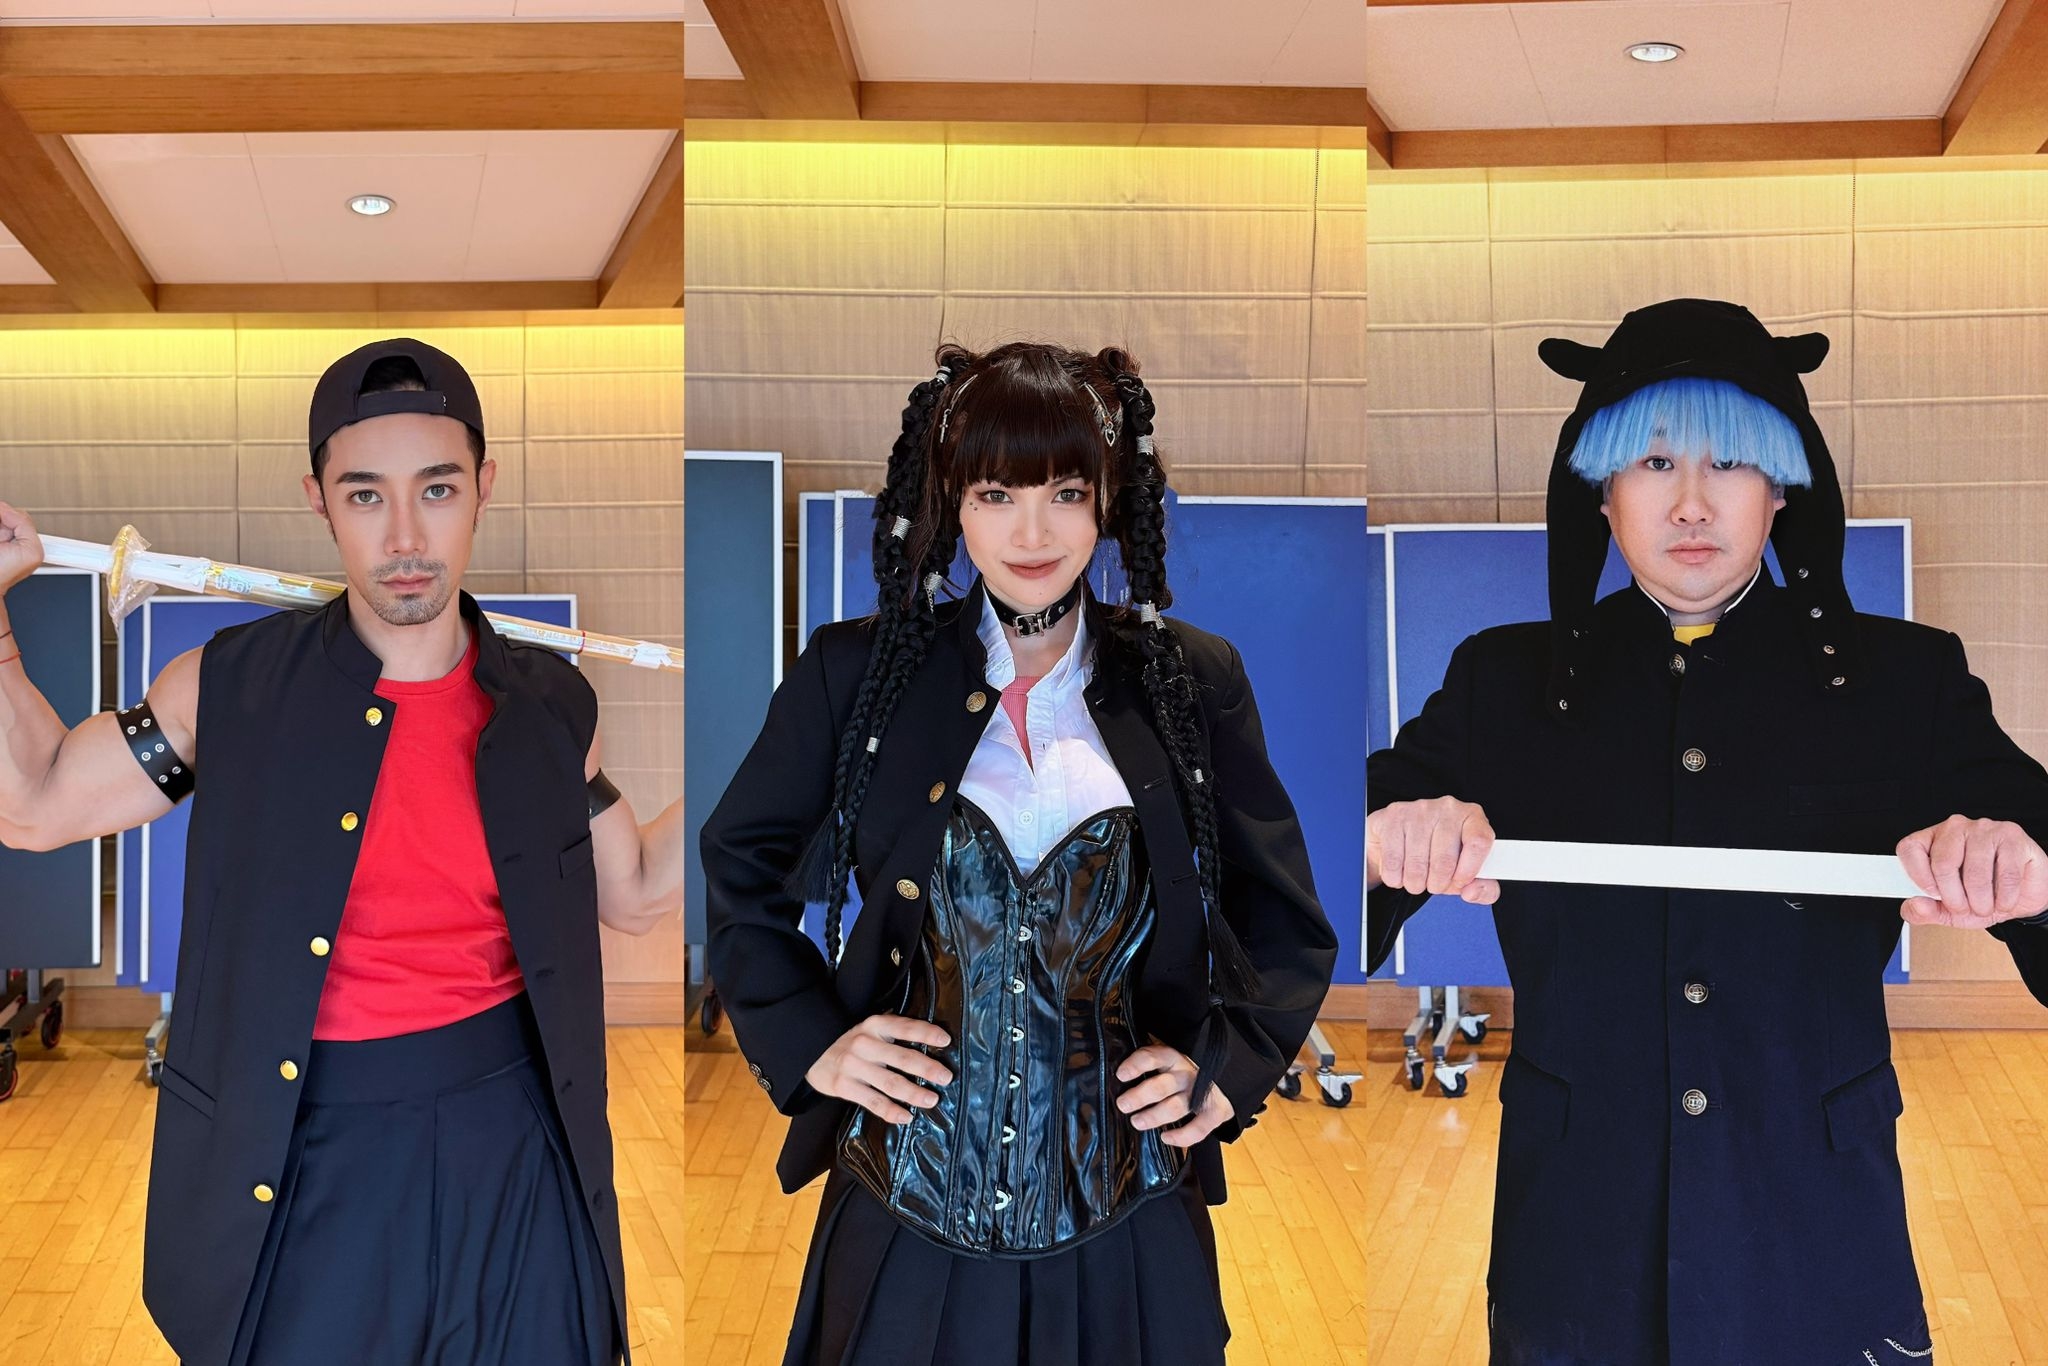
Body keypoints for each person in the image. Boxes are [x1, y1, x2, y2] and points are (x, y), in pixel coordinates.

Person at [1365, 298, 2048, 1366]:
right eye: (1652, 463)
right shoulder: (1501, 681)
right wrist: (1386, 834)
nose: (1690, 502)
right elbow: (1309, 887)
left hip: (1814, 1219)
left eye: (1729, 461)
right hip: (1577, 1226)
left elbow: (2033, 840)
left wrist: (2019, 862)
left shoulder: (1903, 680)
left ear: (1780, 487)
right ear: (1602, 491)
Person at [0, 338, 684, 1366]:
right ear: (319, 501)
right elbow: (35, 802)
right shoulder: (227, 690)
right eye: (366, 495)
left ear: (483, 489)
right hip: (306, 1152)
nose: (405, 536)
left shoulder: (548, 707)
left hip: (514, 1144)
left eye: (437, 489)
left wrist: (765, 758)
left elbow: (631, 891)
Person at [701, 341, 1338, 1366]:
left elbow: (1285, 917)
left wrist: (1226, 1070)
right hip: (902, 1206)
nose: (1031, 532)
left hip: (1131, 1213)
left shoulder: (1190, 681)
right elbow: (739, 863)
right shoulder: (855, 675)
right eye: (996, 494)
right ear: (953, 500)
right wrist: (812, 1038)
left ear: (1108, 502)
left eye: (1065, 494)